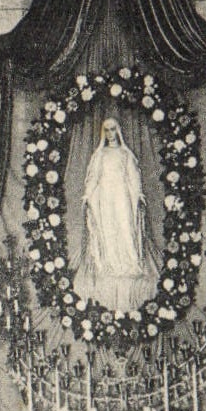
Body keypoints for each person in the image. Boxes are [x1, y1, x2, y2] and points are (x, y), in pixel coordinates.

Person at [74, 117, 160, 312]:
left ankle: (129, 263)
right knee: (108, 229)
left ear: (118, 131)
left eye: (113, 129)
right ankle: (111, 264)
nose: (111, 134)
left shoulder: (125, 154)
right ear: (103, 133)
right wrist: (88, 195)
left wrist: (138, 195)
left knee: (125, 227)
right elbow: (94, 177)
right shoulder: (100, 155)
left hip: (122, 194)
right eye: (107, 130)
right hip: (105, 195)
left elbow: (133, 176)